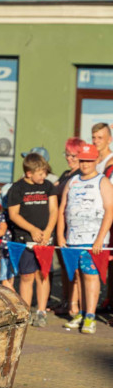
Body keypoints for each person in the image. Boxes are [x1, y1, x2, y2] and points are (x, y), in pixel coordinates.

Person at [57, 143, 113, 335]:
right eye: (82, 160)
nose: (85, 164)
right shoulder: (72, 181)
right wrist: (60, 234)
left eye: (89, 160)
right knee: (78, 276)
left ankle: (90, 316)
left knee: (91, 275)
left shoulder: (103, 181)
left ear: (96, 160)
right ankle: (80, 312)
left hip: (93, 240)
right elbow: (62, 208)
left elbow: (110, 210)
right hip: (72, 239)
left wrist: (99, 239)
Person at [8, 153, 58, 327]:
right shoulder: (17, 188)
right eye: (40, 174)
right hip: (25, 239)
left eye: (45, 173)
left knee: (42, 275)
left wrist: (48, 231)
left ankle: (42, 311)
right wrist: (32, 229)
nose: (43, 177)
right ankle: (26, 310)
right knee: (27, 276)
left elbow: (54, 210)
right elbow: (13, 214)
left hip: (46, 239)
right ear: (29, 173)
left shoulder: (48, 186)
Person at [53, 138, 85, 317]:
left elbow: (55, 191)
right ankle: (67, 301)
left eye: (74, 155)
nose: (70, 158)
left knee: (75, 269)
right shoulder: (66, 174)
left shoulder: (79, 174)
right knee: (65, 267)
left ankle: (77, 304)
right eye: (68, 154)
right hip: (61, 226)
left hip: (73, 228)